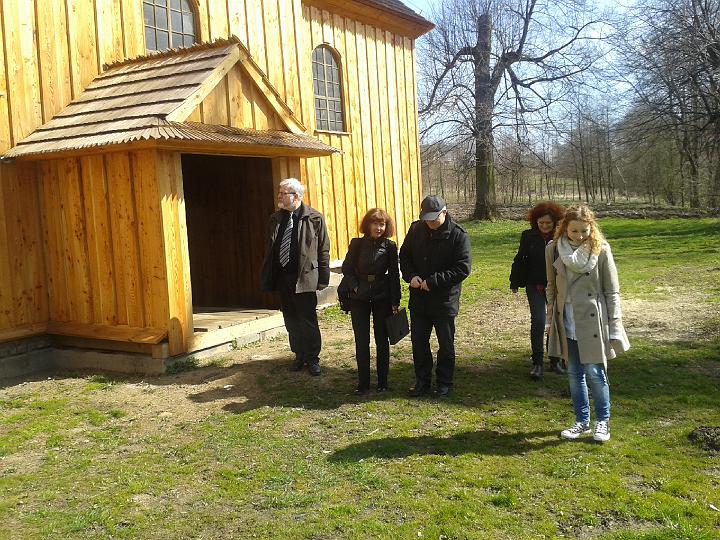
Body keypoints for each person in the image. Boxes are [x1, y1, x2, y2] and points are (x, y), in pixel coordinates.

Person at [545, 205, 630, 443]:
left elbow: (612, 292)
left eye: (584, 231)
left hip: (593, 321)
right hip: (566, 319)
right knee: (574, 373)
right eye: (574, 231)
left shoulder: (601, 250)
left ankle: (602, 421)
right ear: (565, 228)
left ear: (591, 228)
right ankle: (581, 421)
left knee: (595, 373)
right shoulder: (553, 249)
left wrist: (615, 325)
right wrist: (550, 321)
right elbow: (551, 288)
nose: (579, 236)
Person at [400, 195, 471, 398]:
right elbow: (404, 257)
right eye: (426, 219)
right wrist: (411, 276)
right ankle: (422, 381)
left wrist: (433, 282)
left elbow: (462, 268)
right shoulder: (416, 230)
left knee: (445, 344)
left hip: (444, 299)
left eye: (434, 219)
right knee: (419, 343)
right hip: (419, 299)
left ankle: (444, 382)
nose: (430, 223)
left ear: (444, 213)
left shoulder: (458, 235)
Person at [260, 178, 330, 376]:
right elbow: (271, 248)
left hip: (304, 278)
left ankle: (313, 359)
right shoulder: (276, 218)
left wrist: (323, 278)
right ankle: (299, 355)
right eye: (279, 192)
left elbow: (323, 249)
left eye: (283, 193)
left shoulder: (314, 218)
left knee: (307, 320)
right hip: (283, 278)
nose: (279, 196)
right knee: (291, 319)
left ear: (296, 196)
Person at [341, 208, 401, 394]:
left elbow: (394, 275)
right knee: (362, 340)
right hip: (359, 297)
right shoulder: (357, 244)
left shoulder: (390, 246)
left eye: (382, 224)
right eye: (375, 223)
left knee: (382, 340)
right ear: (367, 225)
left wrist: (395, 301)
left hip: (382, 296)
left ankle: (382, 382)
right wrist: (354, 286)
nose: (378, 228)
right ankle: (363, 383)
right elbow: (347, 268)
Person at [510, 201, 565, 380]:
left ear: (555, 222)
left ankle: (555, 359)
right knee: (539, 321)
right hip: (534, 284)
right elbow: (520, 259)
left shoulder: (561, 237)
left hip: (556, 285)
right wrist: (515, 281)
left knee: (556, 322)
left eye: (548, 223)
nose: (544, 226)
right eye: (541, 223)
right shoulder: (528, 236)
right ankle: (538, 363)